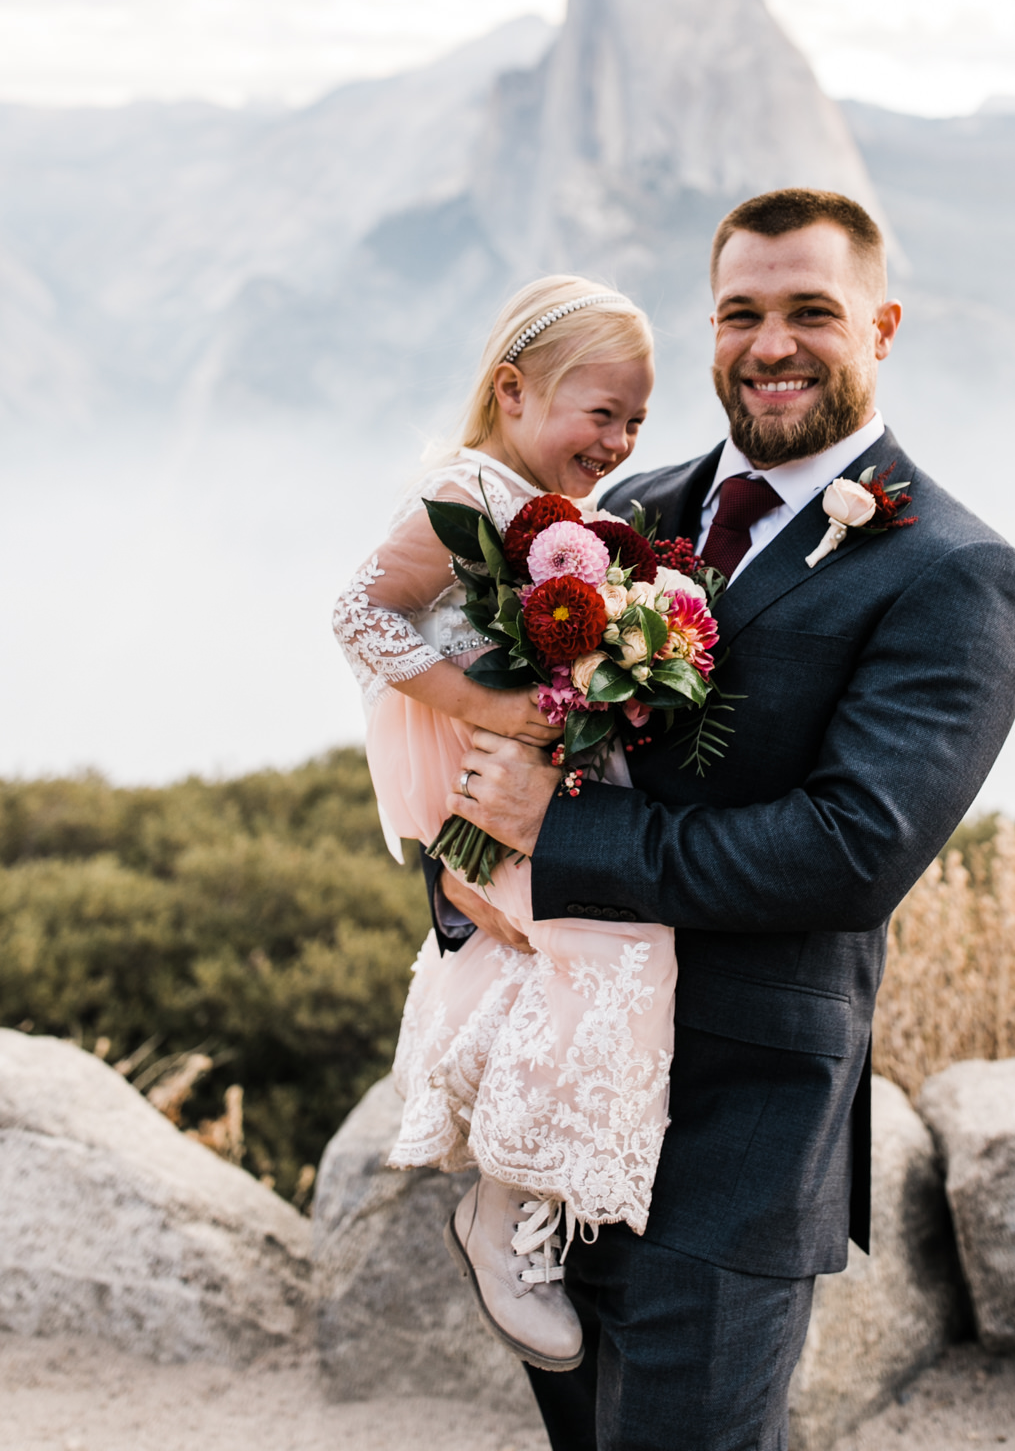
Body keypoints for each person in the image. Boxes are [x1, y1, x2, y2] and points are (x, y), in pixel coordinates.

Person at [431, 188, 1015, 1451]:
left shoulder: (953, 573)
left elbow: (848, 849)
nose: (770, 344)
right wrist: (464, 859)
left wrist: (556, 837)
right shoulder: (609, 514)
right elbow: (499, 718)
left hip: (737, 1119)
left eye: (811, 310)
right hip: (557, 1086)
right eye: (740, 312)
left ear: (882, 325)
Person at [332, 276, 676, 1375]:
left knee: (555, 946)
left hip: (527, 779)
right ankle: (509, 1204)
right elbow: (358, 612)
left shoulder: (575, 522)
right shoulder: (466, 492)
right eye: (601, 412)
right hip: (472, 770)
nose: (619, 439)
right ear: (513, 390)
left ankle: (528, 1185)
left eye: (636, 421)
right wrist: (488, 706)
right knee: (605, 942)